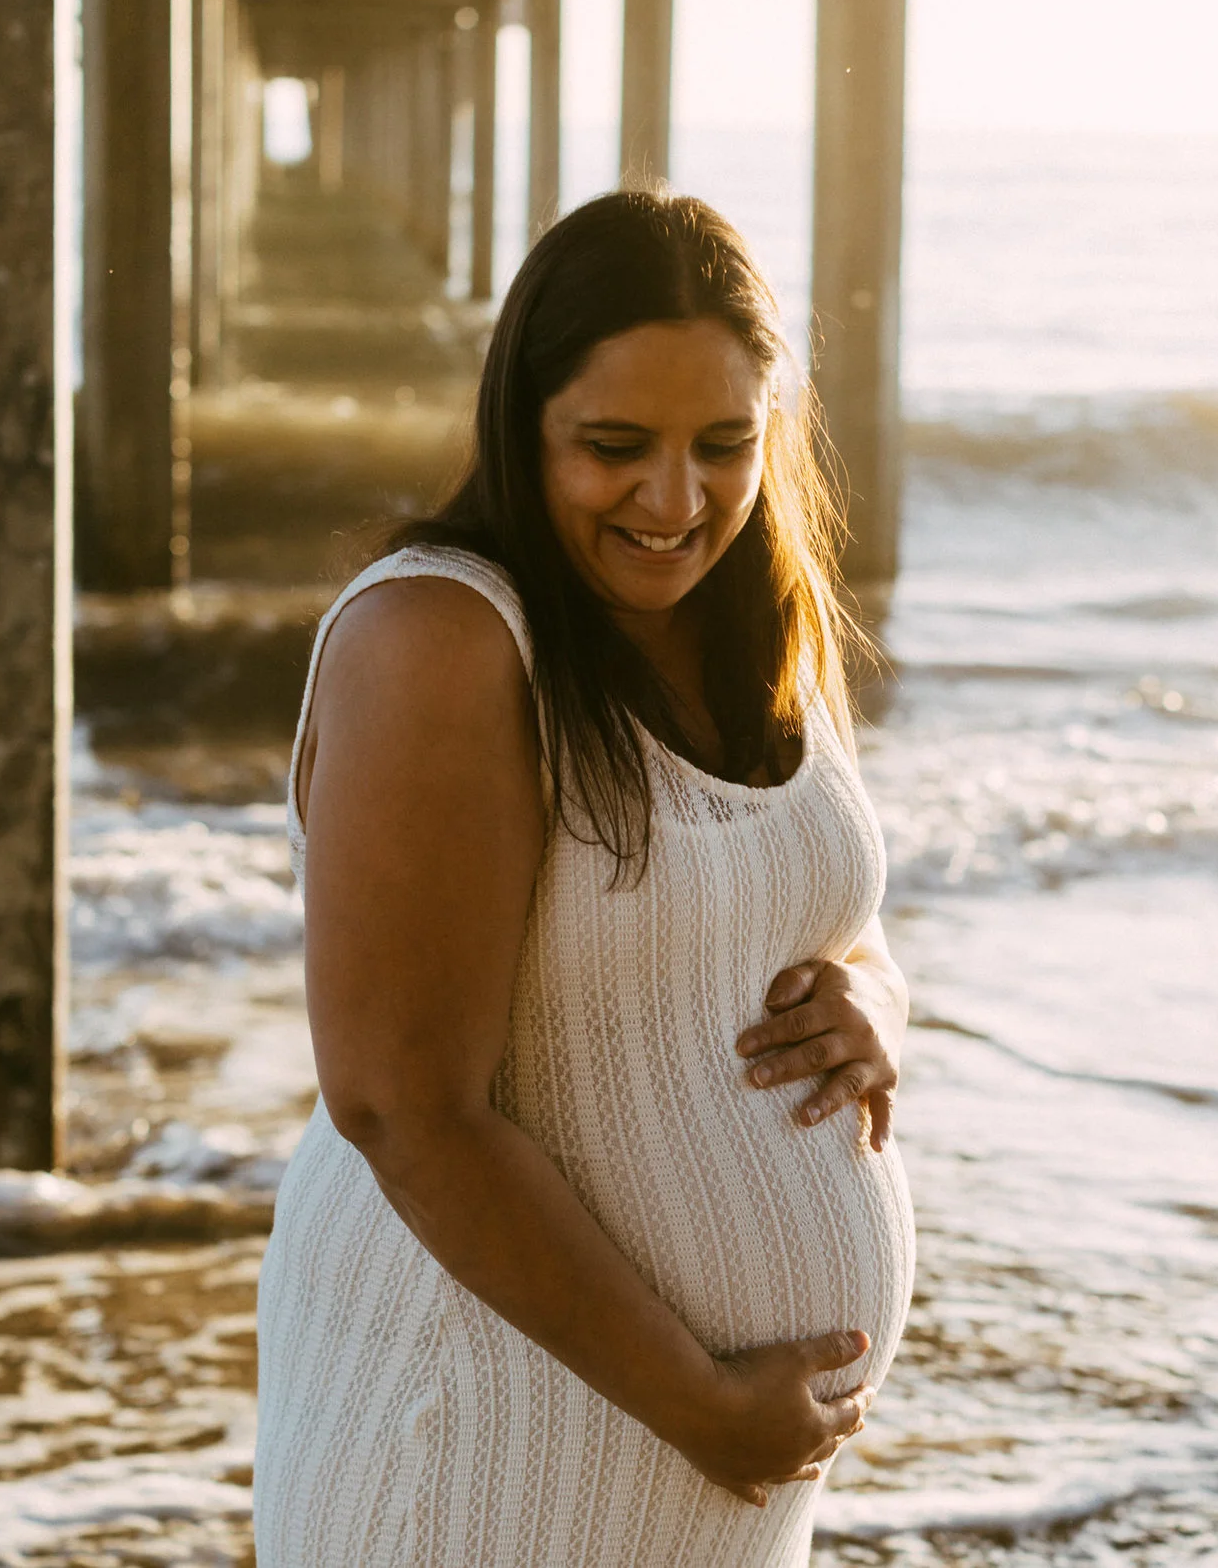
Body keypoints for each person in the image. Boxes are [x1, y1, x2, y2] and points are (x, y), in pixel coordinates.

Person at [253, 190, 914, 1567]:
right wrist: (704, 1403)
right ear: (524, 421)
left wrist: (873, 1006)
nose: (677, 502)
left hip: (707, 1465)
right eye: (616, 447)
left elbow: (823, 914)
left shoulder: (762, 609)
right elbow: (401, 1104)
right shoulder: (441, 636)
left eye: (725, 445)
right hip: (491, 1427)